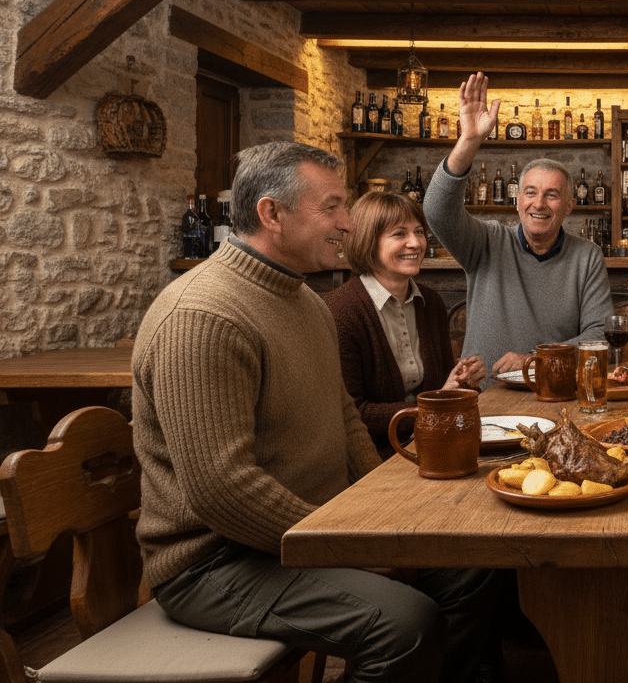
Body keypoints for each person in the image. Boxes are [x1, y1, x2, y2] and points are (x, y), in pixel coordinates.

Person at [132, 142, 498, 683]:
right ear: (271, 214)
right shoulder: (204, 315)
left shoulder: (305, 303)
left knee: (477, 568)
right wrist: (347, 547)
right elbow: (223, 490)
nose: (349, 224)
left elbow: (348, 422)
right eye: (332, 207)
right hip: (216, 564)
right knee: (403, 624)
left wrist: (390, 516)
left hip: (308, 531)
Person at [423, 72, 612, 378]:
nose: (539, 204)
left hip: (553, 393)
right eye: (530, 192)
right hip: (487, 399)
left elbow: (599, 337)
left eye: (552, 195)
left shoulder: (586, 256)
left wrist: (534, 360)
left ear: (569, 206)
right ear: (516, 201)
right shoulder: (486, 243)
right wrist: (469, 140)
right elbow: (437, 210)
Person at [324, 191, 486, 457]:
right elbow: (353, 413)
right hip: (373, 459)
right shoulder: (341, 311)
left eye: (419, 232)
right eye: (399, 234)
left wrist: (461, 381)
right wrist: (435, 406)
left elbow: (441, 388)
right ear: (368, 241)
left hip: (432, 444)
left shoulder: (431, 302)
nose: (415, 243)